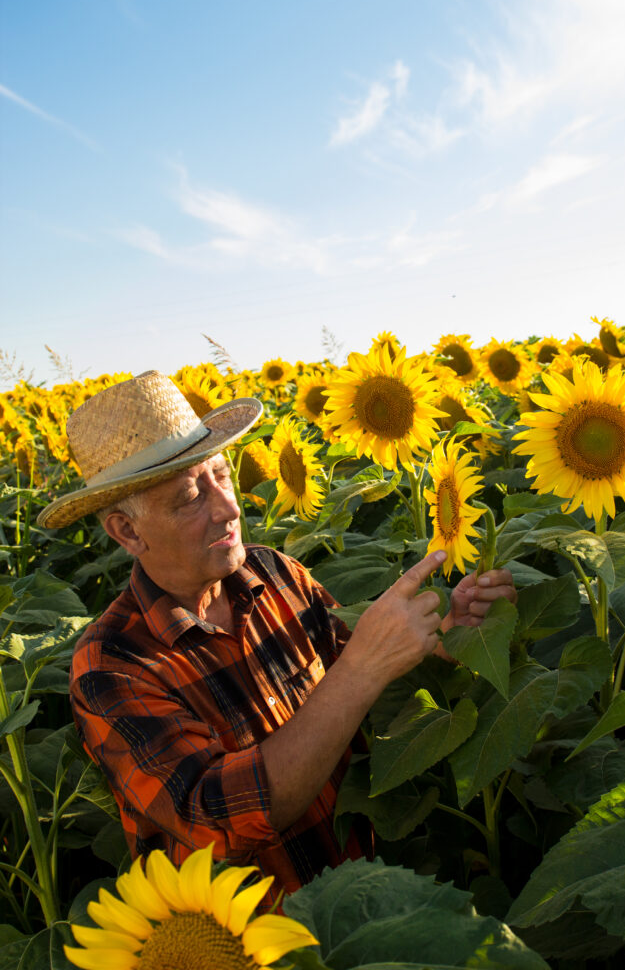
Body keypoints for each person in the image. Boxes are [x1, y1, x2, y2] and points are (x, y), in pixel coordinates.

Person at [37, 370, 516, 907]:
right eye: (192, 496)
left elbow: (367, 689)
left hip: (363, 894)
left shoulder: (275, 572)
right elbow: (216, 818)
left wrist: (446, 634)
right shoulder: (112, 664)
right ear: (128, 531)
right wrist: (363, 666)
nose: (229, 508)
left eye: (222, 475)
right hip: (250, 942)